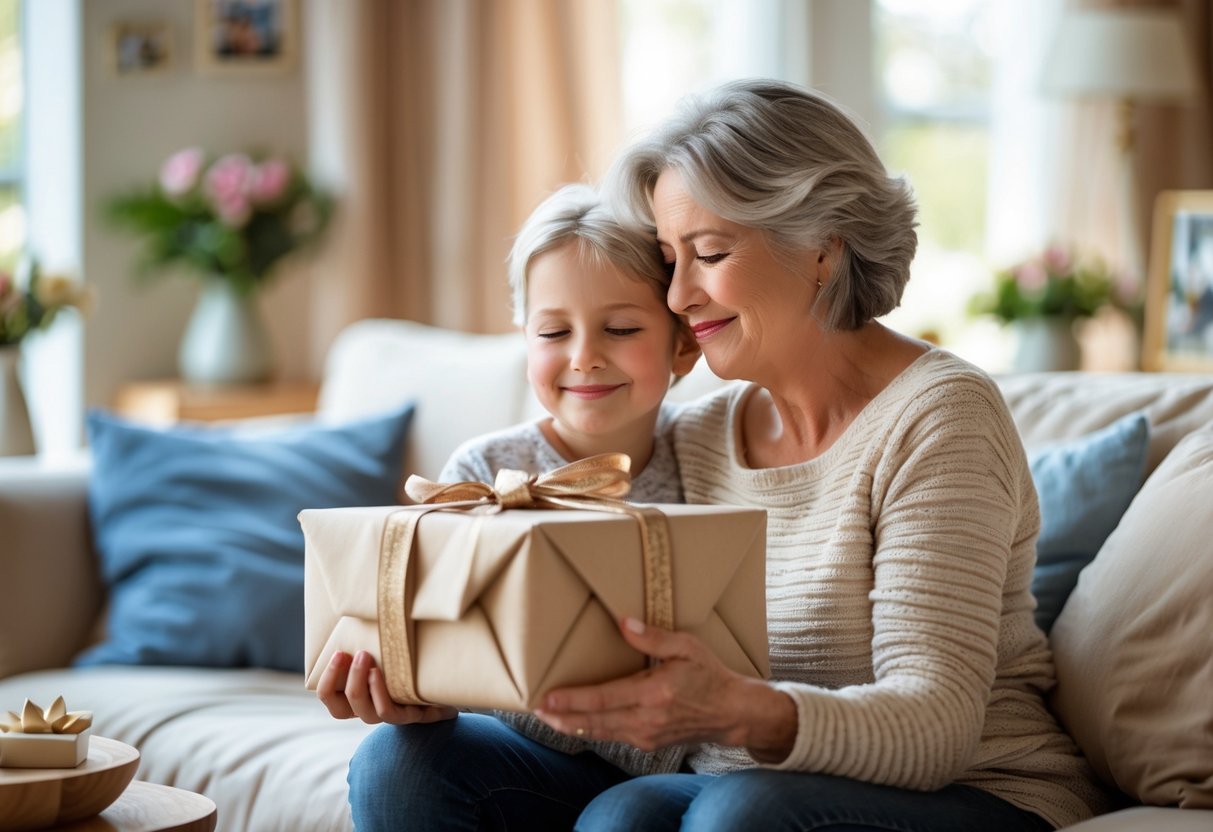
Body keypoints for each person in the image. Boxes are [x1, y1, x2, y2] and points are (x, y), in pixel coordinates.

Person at [322, 80, 1114, 831]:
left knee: (735, 817)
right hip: (733, 782)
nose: (676, 298)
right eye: (670, 259)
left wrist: (739, 709)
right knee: (419, 767)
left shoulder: (940, 415)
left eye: (707, 252)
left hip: (972, 791)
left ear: (821, 249)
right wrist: (437, 670)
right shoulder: (698, 433)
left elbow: (934, 725)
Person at [316, 183, 700, 824]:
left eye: (622, 328)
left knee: (630, 815)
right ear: (525, 340)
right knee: (393, 758)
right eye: (554, 331)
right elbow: (432, 637)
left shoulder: (712, 454)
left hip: (679, 770)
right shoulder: (479, 474)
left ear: (682, 343)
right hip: (530, 759)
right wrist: (414, 690)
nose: (584, 357)